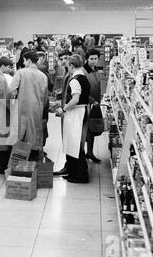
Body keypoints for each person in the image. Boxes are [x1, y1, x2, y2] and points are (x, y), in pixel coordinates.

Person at [55, 54, 91, 183]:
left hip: (77, 113)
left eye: (68, 66)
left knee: (75, 143)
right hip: (81, 111)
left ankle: (80, 175)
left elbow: (75, 99)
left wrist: (63, 108)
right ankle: (73, 170)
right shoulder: (84, 77)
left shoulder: (75, 80)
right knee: (75, 142)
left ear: (71, 65)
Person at [10, 51, 48, 161]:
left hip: (22, 110)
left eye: (24, 60)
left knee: (21, 137)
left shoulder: (21, 72)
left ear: (29, 60)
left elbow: (12, 89)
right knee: (35, 138)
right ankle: (34, 164)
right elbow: (45, 98)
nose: (23, 62)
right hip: (37, 111)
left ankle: (20, 166)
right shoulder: (43, 76)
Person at [83, 48, 102, 163]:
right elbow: (84, 89)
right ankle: (85, 152)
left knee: (92, 128)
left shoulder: (95, 70)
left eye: (96, 59)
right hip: (87, 103)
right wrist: (91, 100)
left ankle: (90, 152)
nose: (94, 61)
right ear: (87, 59)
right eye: (91, 59)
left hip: (95, 104)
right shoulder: (84, 71)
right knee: (86, 129)